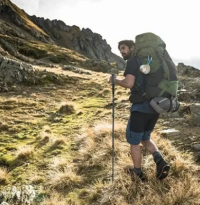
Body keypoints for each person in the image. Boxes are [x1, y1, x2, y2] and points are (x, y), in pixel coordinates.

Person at [108, 40, 170, 180]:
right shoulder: (152, 62)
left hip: (140, 109)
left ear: (132, 47)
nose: (122, 51)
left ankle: (138, 173)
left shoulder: (133, 61)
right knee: (145, 138)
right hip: (155, 107)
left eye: (123, 48)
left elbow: (128, 83)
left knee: (134, 142)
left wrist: (115, 80)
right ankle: (161, 162)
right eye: (120, 50)